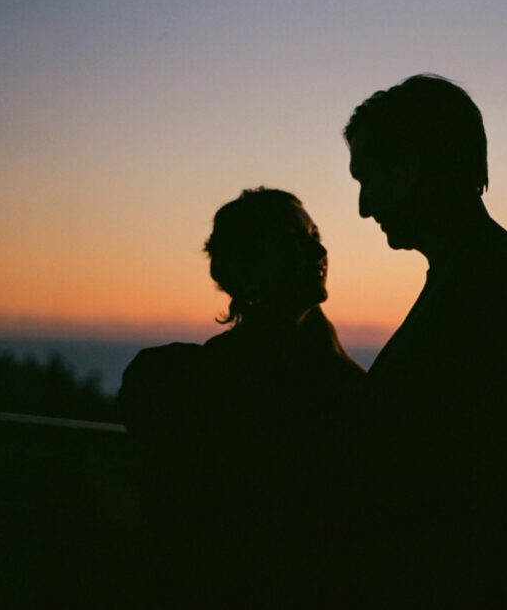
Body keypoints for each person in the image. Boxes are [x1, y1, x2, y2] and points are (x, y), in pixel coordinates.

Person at [340, 74, 507, 607]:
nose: (365, 207)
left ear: (410, 169)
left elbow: (498, 490)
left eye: (369, 179)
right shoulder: (474, 274)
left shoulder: (489, 287)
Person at [118, 187, 365, 608]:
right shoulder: (178, 380)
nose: (319, 248)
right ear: (249, 266)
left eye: (316, 234)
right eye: (294, 237)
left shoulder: (332, 381)